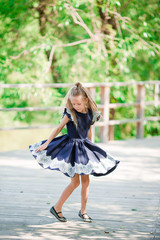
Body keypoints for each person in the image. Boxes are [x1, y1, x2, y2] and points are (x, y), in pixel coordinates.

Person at [29, 82, 120, 223]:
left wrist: (91, 146)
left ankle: (83, 212)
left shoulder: (91, 113)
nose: (76, 106)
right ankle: (57, 207)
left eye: (78, 103)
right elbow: (59, 128)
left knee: (86, 182)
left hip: (84, 148)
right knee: (75, 182)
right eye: (73, 103)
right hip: (72, 148)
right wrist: (46, 143)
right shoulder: (70, 113)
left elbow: (89, 131)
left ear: (85, 100)